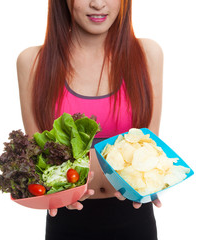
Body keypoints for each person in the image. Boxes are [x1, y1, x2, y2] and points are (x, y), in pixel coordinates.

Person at [16, 0, 163, 239]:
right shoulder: (33, 62)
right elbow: (38, 154)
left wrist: (154, 183)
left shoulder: (147, 54)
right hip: (68, 219)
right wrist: (50, 193)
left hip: (134, 217)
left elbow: (151, 143)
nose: (98, 4)